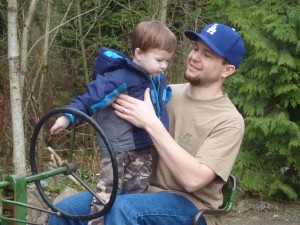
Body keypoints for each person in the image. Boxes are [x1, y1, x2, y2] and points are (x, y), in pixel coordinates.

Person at [48, 22, 245, 225]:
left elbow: (192, 181)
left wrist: (151, 122)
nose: (195, 57)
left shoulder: (229, 120)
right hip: (139, 189)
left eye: (208, 55)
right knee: (66, 211)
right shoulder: (163, 92)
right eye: (196, 48)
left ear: (227, 70)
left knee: (123, 211)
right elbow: (101, 99)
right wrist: (75, 114)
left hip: (192, 206)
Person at [49, 20, 177, 225]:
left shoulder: (157, 77)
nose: (164, 66)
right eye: (160, 60)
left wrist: (166, 95)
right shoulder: (120, 77)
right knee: (106, 193)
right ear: (139, 53)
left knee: (137, 196)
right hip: (117, 148)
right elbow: (91, 97)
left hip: (143, 147)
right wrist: (68, 117)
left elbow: (160, 96)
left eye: (167, 61)